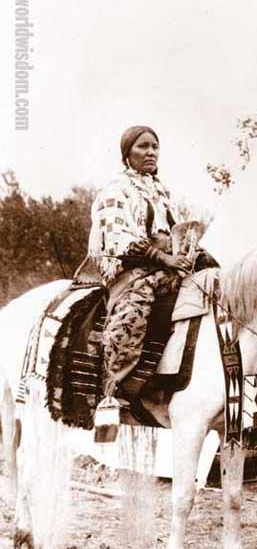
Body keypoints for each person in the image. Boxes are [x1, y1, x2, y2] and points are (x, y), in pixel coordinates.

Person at [87, 125, 191, 401]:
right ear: (127, 154)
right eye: (142, 147)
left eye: (154, 147)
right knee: (132, 313)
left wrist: (188, 253)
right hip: (132, 273)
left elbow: (177, 231)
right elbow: (117, 239)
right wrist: (162, 256)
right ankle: (115, 388)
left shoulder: (164, 193)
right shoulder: (115, 190)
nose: (151, 152)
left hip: (168, 270)